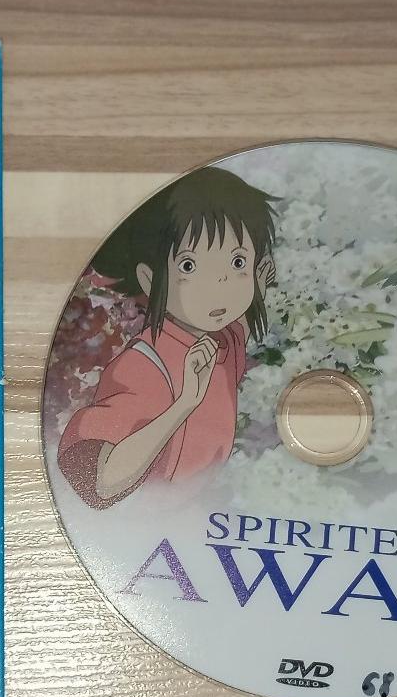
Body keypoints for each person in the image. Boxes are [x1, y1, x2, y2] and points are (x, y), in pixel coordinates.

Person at [57, 166, 279, 508]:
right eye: (189, 266)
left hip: (200, 509)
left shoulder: (217, 339)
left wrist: (257, 289)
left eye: (237, 262)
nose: (219, 285)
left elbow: (238, 332)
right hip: (146, 520)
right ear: (149, 279)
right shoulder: (143, 367)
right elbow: (99, 484)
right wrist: (184, 403)